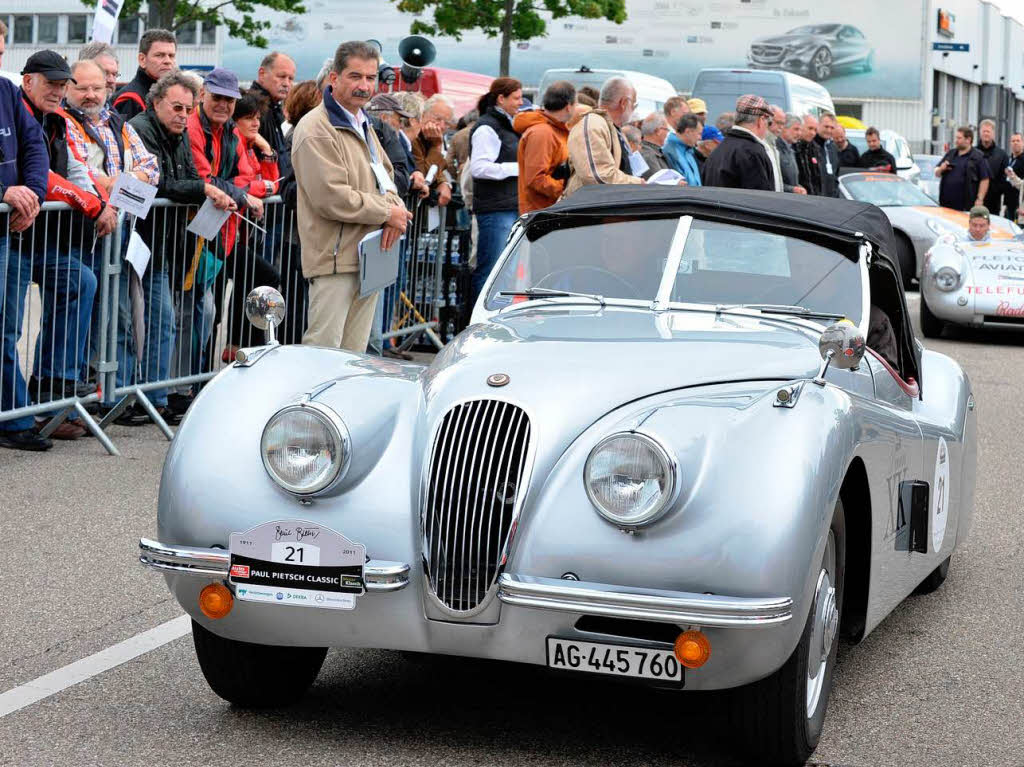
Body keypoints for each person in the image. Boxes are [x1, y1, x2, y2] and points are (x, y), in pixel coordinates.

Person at [18, 51, 117, 438]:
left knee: (82, 282)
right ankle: (24, 409)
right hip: (21, 234)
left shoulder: (57, 120)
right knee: (8, 327)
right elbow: (42, 176)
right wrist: (94, 205)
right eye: (53, 84)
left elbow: (76, 170)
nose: (60, 91)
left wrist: (100, 202)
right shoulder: (19, 113)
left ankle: (54, 388)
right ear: (29, 82)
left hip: (46, 236)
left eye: (63, 85)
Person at [129, 70, 237, 422]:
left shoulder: (177, 134)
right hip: (141, 241)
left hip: (166, 244)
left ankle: (158, 395)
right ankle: (148, 396)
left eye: (188, 109)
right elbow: (161, 184)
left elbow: (187, 178)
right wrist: (204, 189)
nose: (183, 115)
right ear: (156, 102)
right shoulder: (142, 129)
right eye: (177, 107)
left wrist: (199, 187)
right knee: (151, 319)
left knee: (167, 318)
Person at [290, 40, 409, 352]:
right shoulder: (316, 128)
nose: (364, 85)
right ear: (334, 78)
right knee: (324, 352)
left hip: (368, 257)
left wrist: (395, 211)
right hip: (334, 260)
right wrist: (388, 213)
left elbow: (389, 177)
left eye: (370, 78)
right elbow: (331, 197)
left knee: (354, 356)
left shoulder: (362, 122)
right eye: (355, 76)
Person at [63, 58, 162, 424]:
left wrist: (116, 180)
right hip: (80, 235)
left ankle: (108, 397)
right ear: (69, 88)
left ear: (107, 89)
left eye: (97, 88)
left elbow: (151, 168)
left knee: (117, 316)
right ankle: (75, 399)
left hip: (118, 233)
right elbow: (83, 174)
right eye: (82, 87)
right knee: (86, 317)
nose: (90, 95)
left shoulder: (116, 122)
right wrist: (118, 182)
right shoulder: (65, 122)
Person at [0, 30, 56, 450]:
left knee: (6, 328)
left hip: (5, 234)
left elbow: (34, 145)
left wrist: (32, 195)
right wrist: (3, 193)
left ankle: (13, 418)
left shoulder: (4, 91)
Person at [468, 77, 524, 303]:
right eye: (517, 98)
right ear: (501, 99)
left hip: (508, 206)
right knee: (491, 270)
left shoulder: (506, 125)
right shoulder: (487, 128)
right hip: (495, 208)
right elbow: (479, 168)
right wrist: (518, 168)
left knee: (504, 273)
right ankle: (478, 323)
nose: (521, 102)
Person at [277, 80, 323, 345]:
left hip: (301, 234)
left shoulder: (296, 133)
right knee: (296, 302)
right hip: (297, 235)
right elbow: (290, 185)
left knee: (300, 301)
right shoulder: (300, 135)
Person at [565, 76, 645, 196]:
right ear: (624, 103)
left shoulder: (613, 128)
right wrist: (639, 184)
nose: (633, 110)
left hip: (606, 207)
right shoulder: (593, 124)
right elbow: (598, 176)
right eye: (634, 104)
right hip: (591, 210)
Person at [513, 80, 576, 214]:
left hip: (549, 211)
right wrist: (567, 190)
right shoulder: (542, 133)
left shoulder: (553, 130)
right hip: (541, 214)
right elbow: (536, 179)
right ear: (569, 106)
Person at [702, 95, 775, 191]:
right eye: (769, 122)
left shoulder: (717, 151)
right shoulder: (753, 152)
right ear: (761, 120)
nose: (768, 128)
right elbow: (761, 199)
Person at [112, 29, 176, 120]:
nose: (167, 61)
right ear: (142, 59)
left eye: (171, 56)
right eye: (160, 55)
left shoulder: (170, 95)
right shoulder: (130, 100)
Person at [250, 52, 296, 178]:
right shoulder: (253, 109)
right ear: (262, 74)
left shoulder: (273, 109)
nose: (287, 83)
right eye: (281, 76)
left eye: (291, 78)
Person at [936, 125, 991, 212]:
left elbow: (985, 179)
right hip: (946, 204)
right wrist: (941, 169)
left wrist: (980, 199)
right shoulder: (951, 154)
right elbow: (937, 173)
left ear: (968, 140)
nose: (956, 141)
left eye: (959, 138)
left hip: (966, 205)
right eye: (956, 138)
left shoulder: (978, 157)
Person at [413, 94, 454, 206]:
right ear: (423, 115)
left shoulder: (431, 138)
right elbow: (425, 176)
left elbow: (439, 169)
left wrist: (443, 182)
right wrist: (436, 146)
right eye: (437, 119)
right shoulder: (413, 137)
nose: (441, 126)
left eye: (446, 123)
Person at [977, 119, 1009, 217]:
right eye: (984, 131)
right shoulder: (973, 152)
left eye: (988, 131)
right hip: (973, 200)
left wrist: (995, 191)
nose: (986, 134)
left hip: (993, 202)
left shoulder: (1002, 155)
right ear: (980, 133)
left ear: (993, 134)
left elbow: (1005, 178)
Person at [662, 113, 703, 186]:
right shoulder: (670, 152)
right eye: (699, 134)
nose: (700, 138)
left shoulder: (689, 150)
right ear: (688, 132)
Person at [78, 41, 120, 105]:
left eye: (114, 74)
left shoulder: (110, 112)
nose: (111, 80)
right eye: (105, 73)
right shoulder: (62, 112)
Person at [775, 113, 807, 194]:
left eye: (801, 130)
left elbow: (792, 181)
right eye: (796, 129)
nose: (799, 133)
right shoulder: (775, 149)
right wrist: (792, 189)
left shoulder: (790, 150)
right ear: (784, 128)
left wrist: (798, 187)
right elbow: (774, 181)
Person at [793, 115, 823, 196]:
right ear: (801, 127)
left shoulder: (815, 149)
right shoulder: (792, 147)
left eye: (815, 130)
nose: (813, 133)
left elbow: (818, 179)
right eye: (810, 128)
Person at [638, 112, 672, 179]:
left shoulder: (648, 151)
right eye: (667, 130)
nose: (667, 133)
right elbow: (658, 184)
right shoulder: (649, 155)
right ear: (658, 131)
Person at [814, 112, 841, 197]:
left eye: (832, 128)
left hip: (830, 200)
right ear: (818, 125)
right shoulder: (810, 146)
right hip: (815, 199)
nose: (829, 130)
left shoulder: (833, 148)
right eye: (826, 126)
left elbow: (835, 175)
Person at [1003, 133, 1024, 223]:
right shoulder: (1008, 159)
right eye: (1013, 141)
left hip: (1019, 206)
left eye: (1018, 141)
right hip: (1008, 204)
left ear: (1023, 143)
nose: (1015, 143)